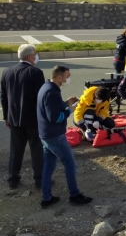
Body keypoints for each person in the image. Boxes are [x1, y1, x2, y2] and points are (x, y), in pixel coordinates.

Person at [37, 65, 92, 208]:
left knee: (49, 166)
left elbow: (52, 107)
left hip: (46, 134)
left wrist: (65, 103)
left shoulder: (47, 87)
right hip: (54, 135)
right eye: (68, 76)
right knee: (70, 164)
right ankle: (74, 195)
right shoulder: (51, 92)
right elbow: (54, 117)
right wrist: (69, 110)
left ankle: (46, 197)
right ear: (60, 77)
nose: (69, 79)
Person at [0, 44, 45, 189]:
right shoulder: (36, 72)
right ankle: (39, 180)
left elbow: (3, 97)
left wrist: (6, 116)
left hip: (14, 119)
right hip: (33, 119)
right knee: (37, 150)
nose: (36, 56)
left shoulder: (7, 72)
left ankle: (13, 179)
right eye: (35, 54)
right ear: (29, 56)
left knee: (16, 150)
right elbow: (41, 98)